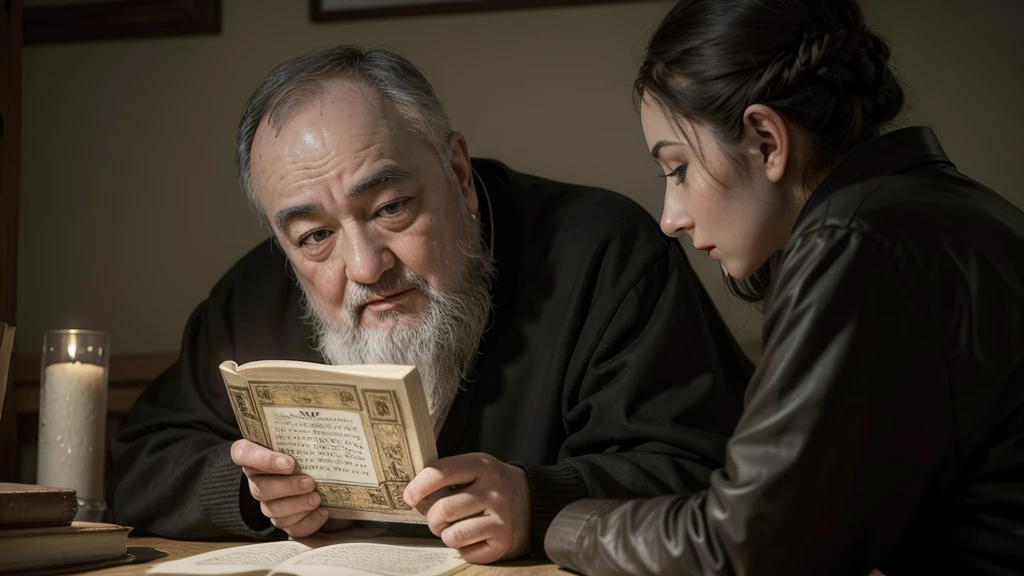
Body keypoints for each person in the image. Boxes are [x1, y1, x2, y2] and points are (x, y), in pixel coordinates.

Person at [107, 46, 752, 564]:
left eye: (390, 208)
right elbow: (139, 464)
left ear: (459, 175)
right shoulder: (253, 296)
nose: (364, 266)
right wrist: (250, 496)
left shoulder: (605, 250)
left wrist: (540, 501)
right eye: (313, 237)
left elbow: (706, 471)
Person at [544, 0, 1024, 574]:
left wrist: (559, 521)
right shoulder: (958, 206)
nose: (671, 217)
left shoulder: (853, 242)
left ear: (767, 140)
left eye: (678, 170)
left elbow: (748, 546)